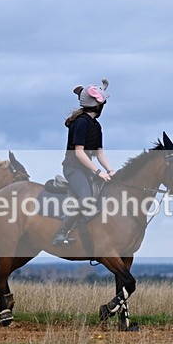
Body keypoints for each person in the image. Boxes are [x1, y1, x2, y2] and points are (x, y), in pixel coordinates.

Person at [52, 78, 117, 246]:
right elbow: (79, 153)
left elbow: (99, 153)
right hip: (73, 168)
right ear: (98, 105)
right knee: (86, 198)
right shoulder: (81, 123)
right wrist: (99, 172)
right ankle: (61, 233)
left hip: (86, 169)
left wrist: (110, 170)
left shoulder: (96, 125)